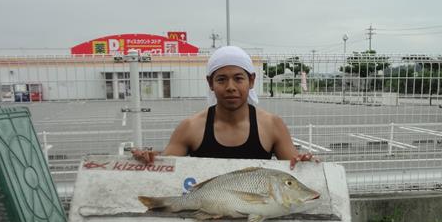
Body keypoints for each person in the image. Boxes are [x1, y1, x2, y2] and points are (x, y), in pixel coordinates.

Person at [132, 46, 317, 169]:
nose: (230, 87)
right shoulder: (190, 127)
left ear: (251, 81)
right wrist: (148, 160)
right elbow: (165, 171)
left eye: (238, 78)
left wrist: (306, 164)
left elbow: (296, 172)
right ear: (210, 83)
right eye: (221, 79)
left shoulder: (272, 125)